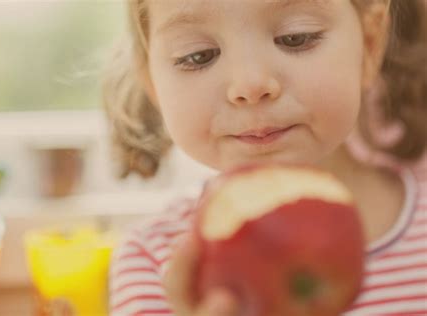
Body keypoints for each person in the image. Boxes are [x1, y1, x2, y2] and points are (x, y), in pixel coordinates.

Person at [103, 0, 427, 315]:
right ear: (154, 86)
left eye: (295, 37)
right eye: (198, 56)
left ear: (370, 46)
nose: (250, 84)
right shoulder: (153, 264)